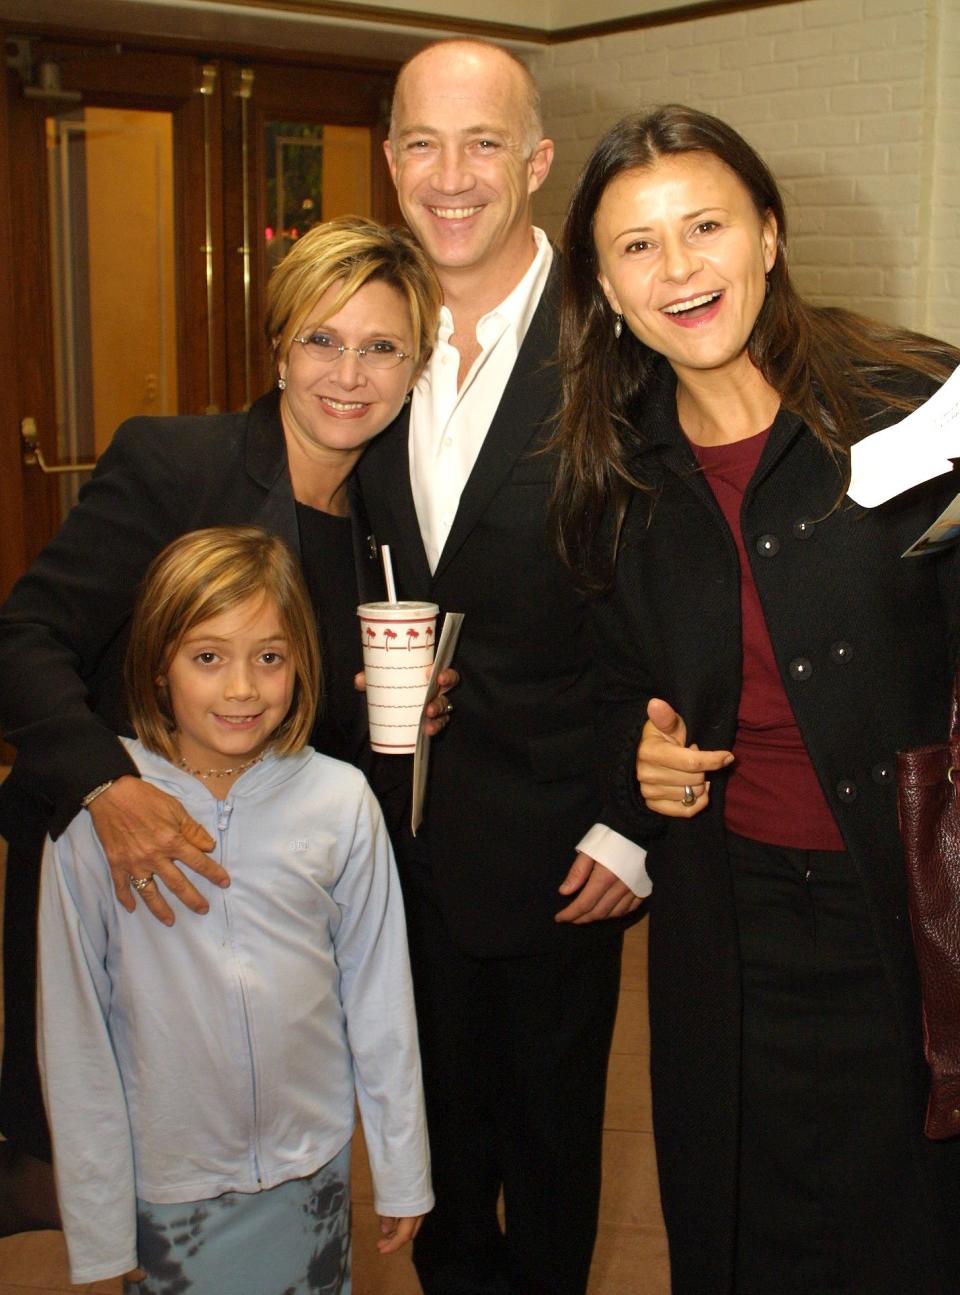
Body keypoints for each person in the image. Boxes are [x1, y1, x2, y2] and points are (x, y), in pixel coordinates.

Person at [552, 104, 960, 1294]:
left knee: (916, 1225)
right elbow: (608, 679)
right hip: (727, 921)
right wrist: (639, 753)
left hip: (922, 904)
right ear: (606, 285)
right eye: (636, 245)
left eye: (705, 225)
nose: (676, 268)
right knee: (747, 1221)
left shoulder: (922, 401)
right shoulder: (613, 475)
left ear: (769, 235)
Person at [0, 215, 447, 1231]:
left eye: (381, 346)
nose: (350, 372)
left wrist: (415, 711)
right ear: (278, 346)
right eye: (322, 339)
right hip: (139, 883)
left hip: (268, 911)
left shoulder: (393, 516)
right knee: (126, 1178)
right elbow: (24, 639)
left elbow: (320, 721)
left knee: (268, 1196)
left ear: (417, 365)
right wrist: (104, 787)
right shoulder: (176, 465)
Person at [356, 39, 651, 1295]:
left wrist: (631, 822)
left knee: (547, 1157)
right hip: (389, 844)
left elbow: (676, 601)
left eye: (484, 144)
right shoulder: (360, 339)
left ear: (536, 162)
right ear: (390, 162)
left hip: (555, 844)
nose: (451, 174)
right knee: (428, 1149)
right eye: (423, 142)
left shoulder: (619, 342)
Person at [38, 525, 432, 1290]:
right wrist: (96, 1223)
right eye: (208, 656)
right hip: (169, 1189)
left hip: (308, 1172)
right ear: (159, 665)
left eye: (270, 657)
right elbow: (76, 1029)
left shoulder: (339, 801)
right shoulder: (102, 819)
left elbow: (379, 994)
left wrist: (400, 1162)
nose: (243, 688)